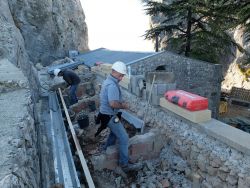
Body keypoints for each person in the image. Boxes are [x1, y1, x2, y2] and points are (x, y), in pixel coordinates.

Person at [99, 61, 139, 172]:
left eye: (123, 76)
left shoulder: (108, 81)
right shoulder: (112, 85)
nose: (121, 78)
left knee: (114, 132)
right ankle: (124, 165)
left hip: (105, 114)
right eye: (120, 75)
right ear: (114, 72)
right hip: (109, 115)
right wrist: (124, 106)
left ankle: (106, 148)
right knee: (124, 138)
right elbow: (112, 103)